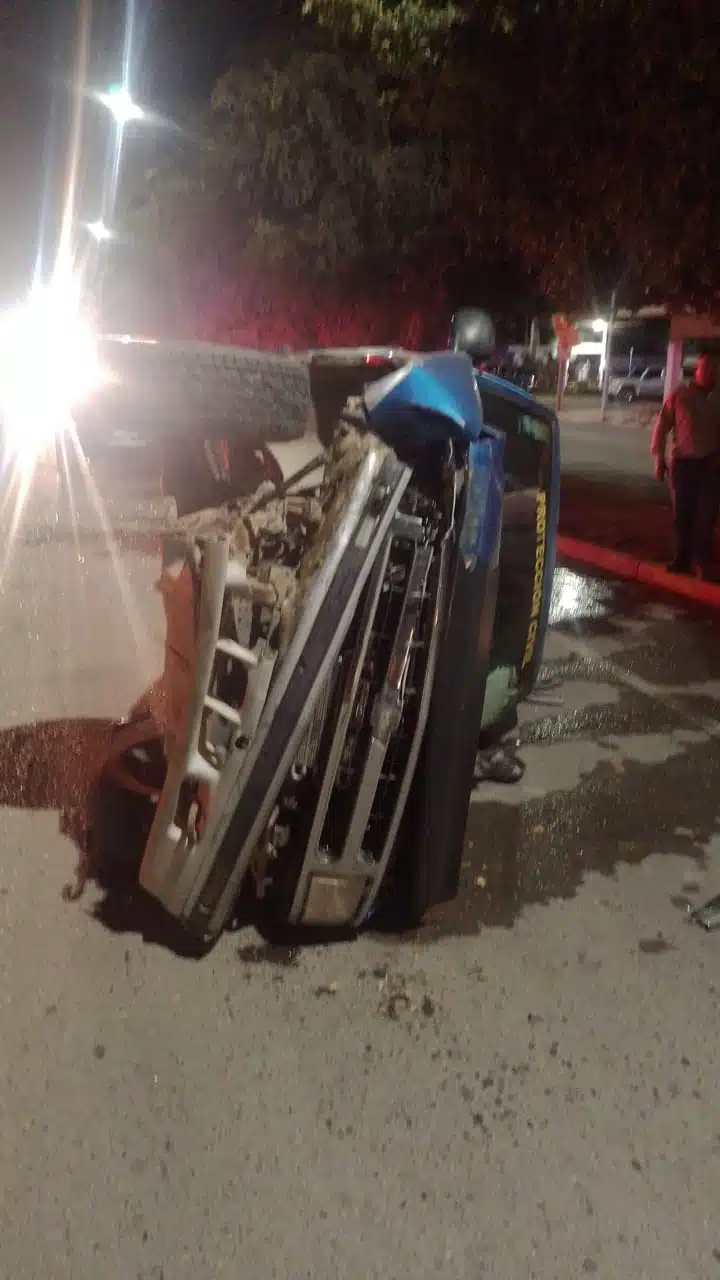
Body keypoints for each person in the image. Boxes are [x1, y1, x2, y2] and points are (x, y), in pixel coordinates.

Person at [650, 353, 720, 579]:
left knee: (706, 516)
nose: (711, 373)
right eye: (706, 368)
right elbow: (661, 428)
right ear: (697, 370)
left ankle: (702, 563)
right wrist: (658, 458)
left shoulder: (717, 400)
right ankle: (681, 559)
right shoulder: (680, 396)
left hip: (711, 465)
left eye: (715, 369)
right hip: (684, 464)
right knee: (683, 514)